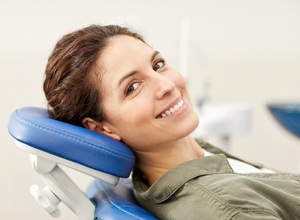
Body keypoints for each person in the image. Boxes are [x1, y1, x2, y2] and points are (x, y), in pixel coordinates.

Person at [43, 24, 300, 220]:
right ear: (101, 128)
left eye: (158, 64)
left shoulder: (194, 157)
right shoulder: (227, 208)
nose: (167, 85)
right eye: (132, 87)